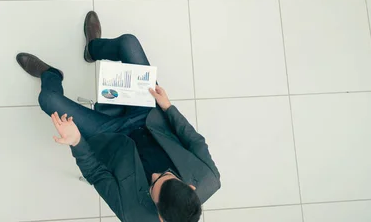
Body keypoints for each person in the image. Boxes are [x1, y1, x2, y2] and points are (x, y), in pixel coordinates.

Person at [16, 11, 220, 222]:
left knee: (48, 99)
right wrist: (168, 107)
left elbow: (96, 173)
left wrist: (76, 142)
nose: (153, 175)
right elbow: (193, 139)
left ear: (160, 217)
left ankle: (51, 75)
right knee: (128, 43)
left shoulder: (134, 215)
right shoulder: (209, 177)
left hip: (110, 134)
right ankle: (92, 48)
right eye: (164, 175)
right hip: (148, 116)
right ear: (190, 186)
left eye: (154, 183)